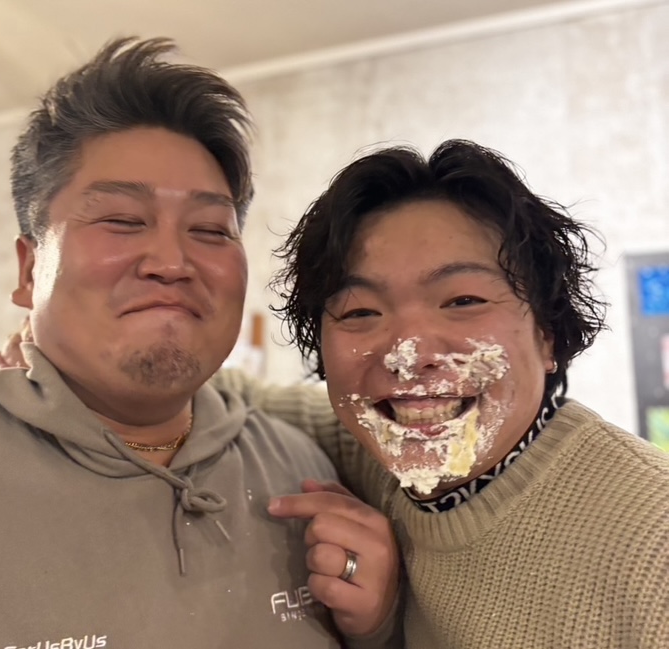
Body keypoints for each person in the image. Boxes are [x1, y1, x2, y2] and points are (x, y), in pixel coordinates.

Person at [0, 37, 400, 649]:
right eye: (122, 221)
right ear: (29, 270)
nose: (172, 262)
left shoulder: (302, 474)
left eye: (210, 229)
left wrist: (375, 632)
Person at [250, 140, 669, 647]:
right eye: (361, 312)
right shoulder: (366, 452)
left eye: (463, 300)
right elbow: (219, 389)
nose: (408, 354)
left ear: (547, 333)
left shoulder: (653, 539)